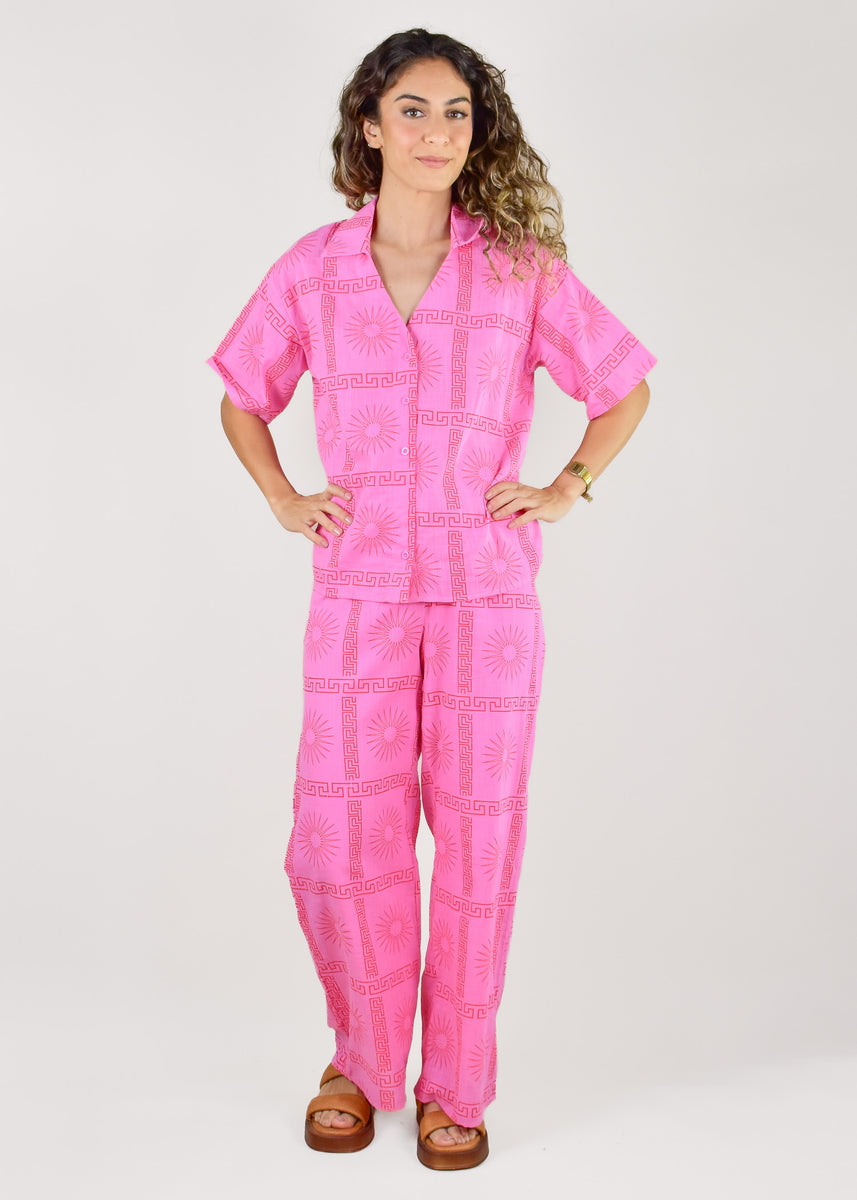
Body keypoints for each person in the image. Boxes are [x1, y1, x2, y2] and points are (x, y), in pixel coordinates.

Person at [206, 27, 657, 1171]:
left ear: (476, 131)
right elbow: (242, 394)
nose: (435, 132)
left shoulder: (515, 267)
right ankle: (358, 1064)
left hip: (485, 598)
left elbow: (621, 386)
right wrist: (282, 497)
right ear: (368, 125)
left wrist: (565, 485)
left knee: (476, 841)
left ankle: (455, 1082)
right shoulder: (311, 270)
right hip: (356, 592)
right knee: (340, 838)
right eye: (411, 109)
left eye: (456, 112)